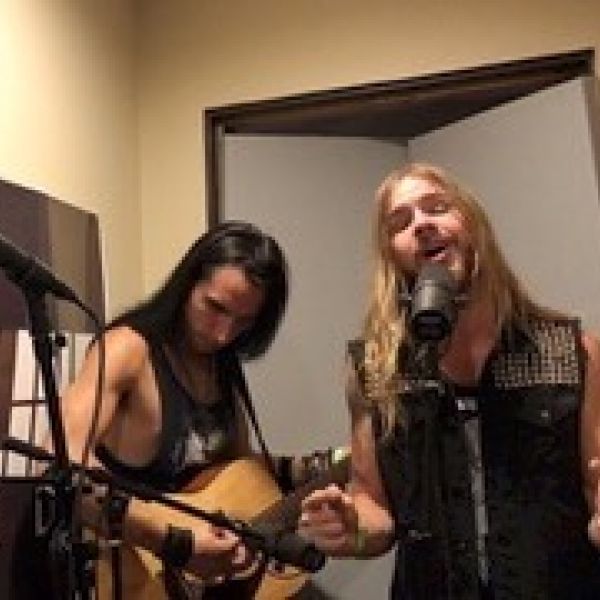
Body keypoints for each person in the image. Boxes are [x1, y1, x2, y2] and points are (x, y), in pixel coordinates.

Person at [298, 162, 600, 598]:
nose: (421, 225)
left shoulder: (571, 351)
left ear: (473, 224)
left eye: (437, 208)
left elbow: (594, 486)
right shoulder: (377, 370)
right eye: (401, 222)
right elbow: (374, 505)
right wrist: (351, 529)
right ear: (392, 253)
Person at [48, 221, 292, 591]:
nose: (223, 334)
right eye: (215, 307)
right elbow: (60, 461)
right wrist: (173, 541)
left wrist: (307, 475)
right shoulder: (126, 350)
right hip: (125, 580)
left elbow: (237, 475)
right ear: (187, 285)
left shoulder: (222, 365)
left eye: (243, 322)